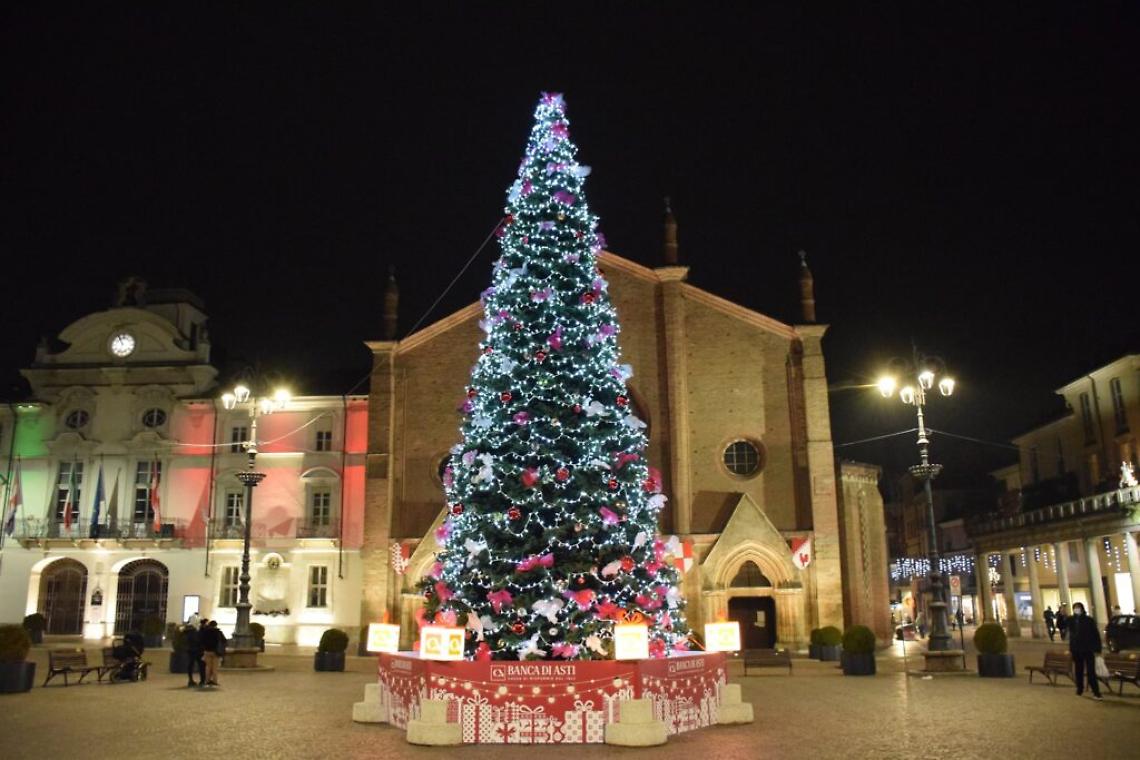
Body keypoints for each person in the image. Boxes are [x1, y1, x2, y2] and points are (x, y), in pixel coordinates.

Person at [1067, 602, 1103, 700]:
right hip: (1076, 650)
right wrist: (1061, 614)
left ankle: (1096, 692)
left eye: (1078, 608)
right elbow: (1061, 625)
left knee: (1091, 672)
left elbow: (1095, 635)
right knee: (1078, 671)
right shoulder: (1071, 620)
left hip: (1088, 649)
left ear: (1082, 609)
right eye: (1075, 608)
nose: (1076, 609)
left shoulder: (1088, 620)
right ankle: (1080, 688)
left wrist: (1098, 649)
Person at [201, 620, 226, 687]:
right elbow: (224, 640)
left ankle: (207, 680)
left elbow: (202, 640)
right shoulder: (218, 632)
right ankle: (215, 680)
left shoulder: (205, 632)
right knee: (215, 667)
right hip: (216, 651)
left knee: (208, 666)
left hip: (207, 651)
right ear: (216, 625)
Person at [184, 621, 205, 687]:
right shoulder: (198, 633)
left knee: (190, 665)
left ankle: (190, 680)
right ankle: (202, 681)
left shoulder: (187, 634)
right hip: (198, 651)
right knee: (201, 666)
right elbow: (200, 641)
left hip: (191, 651)